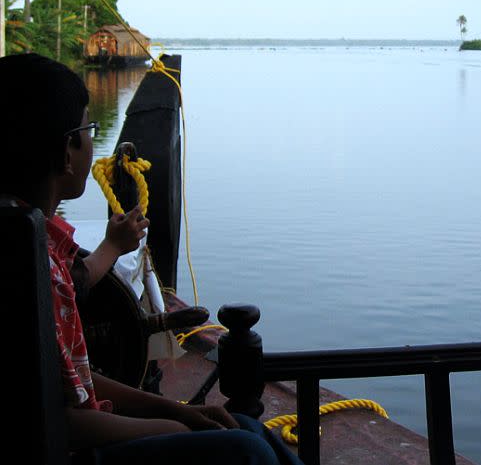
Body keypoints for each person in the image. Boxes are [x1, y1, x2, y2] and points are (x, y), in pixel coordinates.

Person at [0, 53, 290, 465]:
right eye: (89, 128)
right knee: (245, 448)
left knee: (245, 425)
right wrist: (171, 426)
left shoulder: (31, 242)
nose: (91, 139)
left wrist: (175, 409)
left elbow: (70, 381)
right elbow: (59, 422)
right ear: (67, 150)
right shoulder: (32, 265)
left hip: (77, 430)